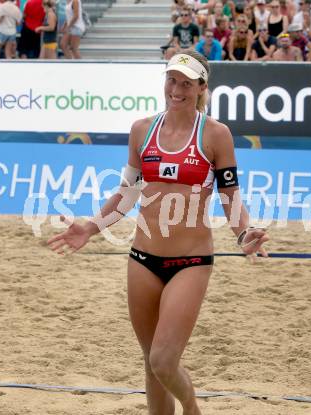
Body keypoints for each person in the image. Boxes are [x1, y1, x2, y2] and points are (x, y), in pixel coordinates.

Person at [47, 49, 269, 415]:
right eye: (171, 80)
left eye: (186, 83)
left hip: (192, 261)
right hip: (143, 259)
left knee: (164, 360)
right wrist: (90, 227)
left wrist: (244, 236)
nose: (176, 89)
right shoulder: (141, 129)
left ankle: (192, 409)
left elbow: (231, 199)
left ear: (201, 88)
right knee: (151, 365)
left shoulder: (216, 134)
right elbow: (127, 193)